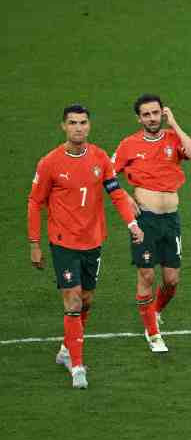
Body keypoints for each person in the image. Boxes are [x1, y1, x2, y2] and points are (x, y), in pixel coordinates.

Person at [28, 104, 144, 389]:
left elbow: (115, 193)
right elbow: (35, 202)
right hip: (63, 241)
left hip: (93, 240)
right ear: (63, 127)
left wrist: (132, 224)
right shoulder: (50, 162)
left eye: (82, 122)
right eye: (72, 123)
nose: (78, 127)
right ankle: (77, 365)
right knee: (74, 299)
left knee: (88, 299)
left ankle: (67, 349)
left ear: (89, 126)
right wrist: (35, 243)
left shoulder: (100, 158)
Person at [112, 94, 191, 352]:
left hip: (171, 220)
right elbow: (106, 172)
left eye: (155, 113)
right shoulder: (129, 144)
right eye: (146, 114)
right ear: (139, 118)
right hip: (146, 221)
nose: (152, 118)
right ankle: (153, 334)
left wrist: (174, 124)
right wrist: (124, 196)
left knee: (172, 280)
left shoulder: (173, 138)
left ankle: (154, 313)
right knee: (147, 274)